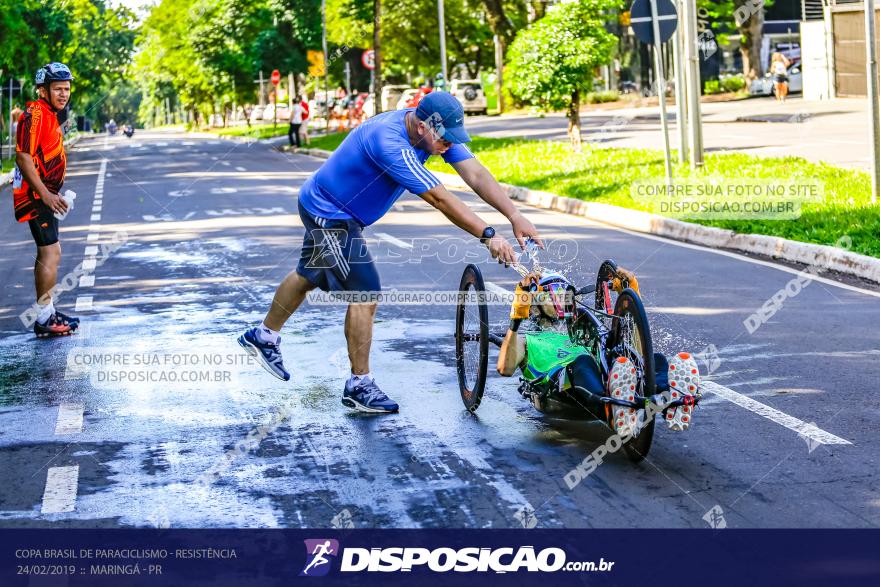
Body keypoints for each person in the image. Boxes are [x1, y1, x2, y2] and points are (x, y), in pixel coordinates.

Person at [238, 91, 543, 413]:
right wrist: (488, 235)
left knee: (308, 275)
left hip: (331, 209)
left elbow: (476, 173)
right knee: (365, 293)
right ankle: (359, 384)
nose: (449, 147)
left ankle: (263, 336)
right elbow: (440, 199)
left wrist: (515, 215)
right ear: (424, 128)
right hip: (330, 216)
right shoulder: (390, 142)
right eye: (445, 140)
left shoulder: (433, 130)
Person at [497, 270, 700, 435]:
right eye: (550, 292)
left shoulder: (580, 333)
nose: (558, 296)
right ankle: (613, 408)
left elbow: (630, 347)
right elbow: (505, 368)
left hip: (602, 377)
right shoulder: (527, 339)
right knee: (583, 361)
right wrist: (516, 317)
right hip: (559, 388)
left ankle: (673, 398)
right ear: (534, 304)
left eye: (562, 291)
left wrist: (631, 295)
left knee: (654, 359)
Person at [13, 62, 79, 337]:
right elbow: (23, 156)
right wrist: (44, 193)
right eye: (57, 89)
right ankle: (43, 317)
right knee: (50, 252)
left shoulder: (50, 114)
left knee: (50, 252)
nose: (63, 94)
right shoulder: (35, 114)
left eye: (66, 89)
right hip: (36, 195)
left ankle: (48, 311)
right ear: (43, 90)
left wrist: (52, 193)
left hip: (45, 194)